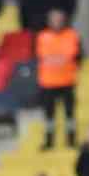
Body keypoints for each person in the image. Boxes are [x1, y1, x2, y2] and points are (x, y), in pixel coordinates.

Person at [36, 8, 81, 149]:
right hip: (48, 82)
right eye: (54, 19)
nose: (57, 22)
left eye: (59, 19)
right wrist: (60, 59)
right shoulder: (42, 36)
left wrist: (58, 59)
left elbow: (74, 55)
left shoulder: (72, 35)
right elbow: (42, 55)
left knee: (70, 114)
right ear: (49, 21)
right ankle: (49, 141)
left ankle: (71, 140)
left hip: (67, 81)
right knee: (49, 115)